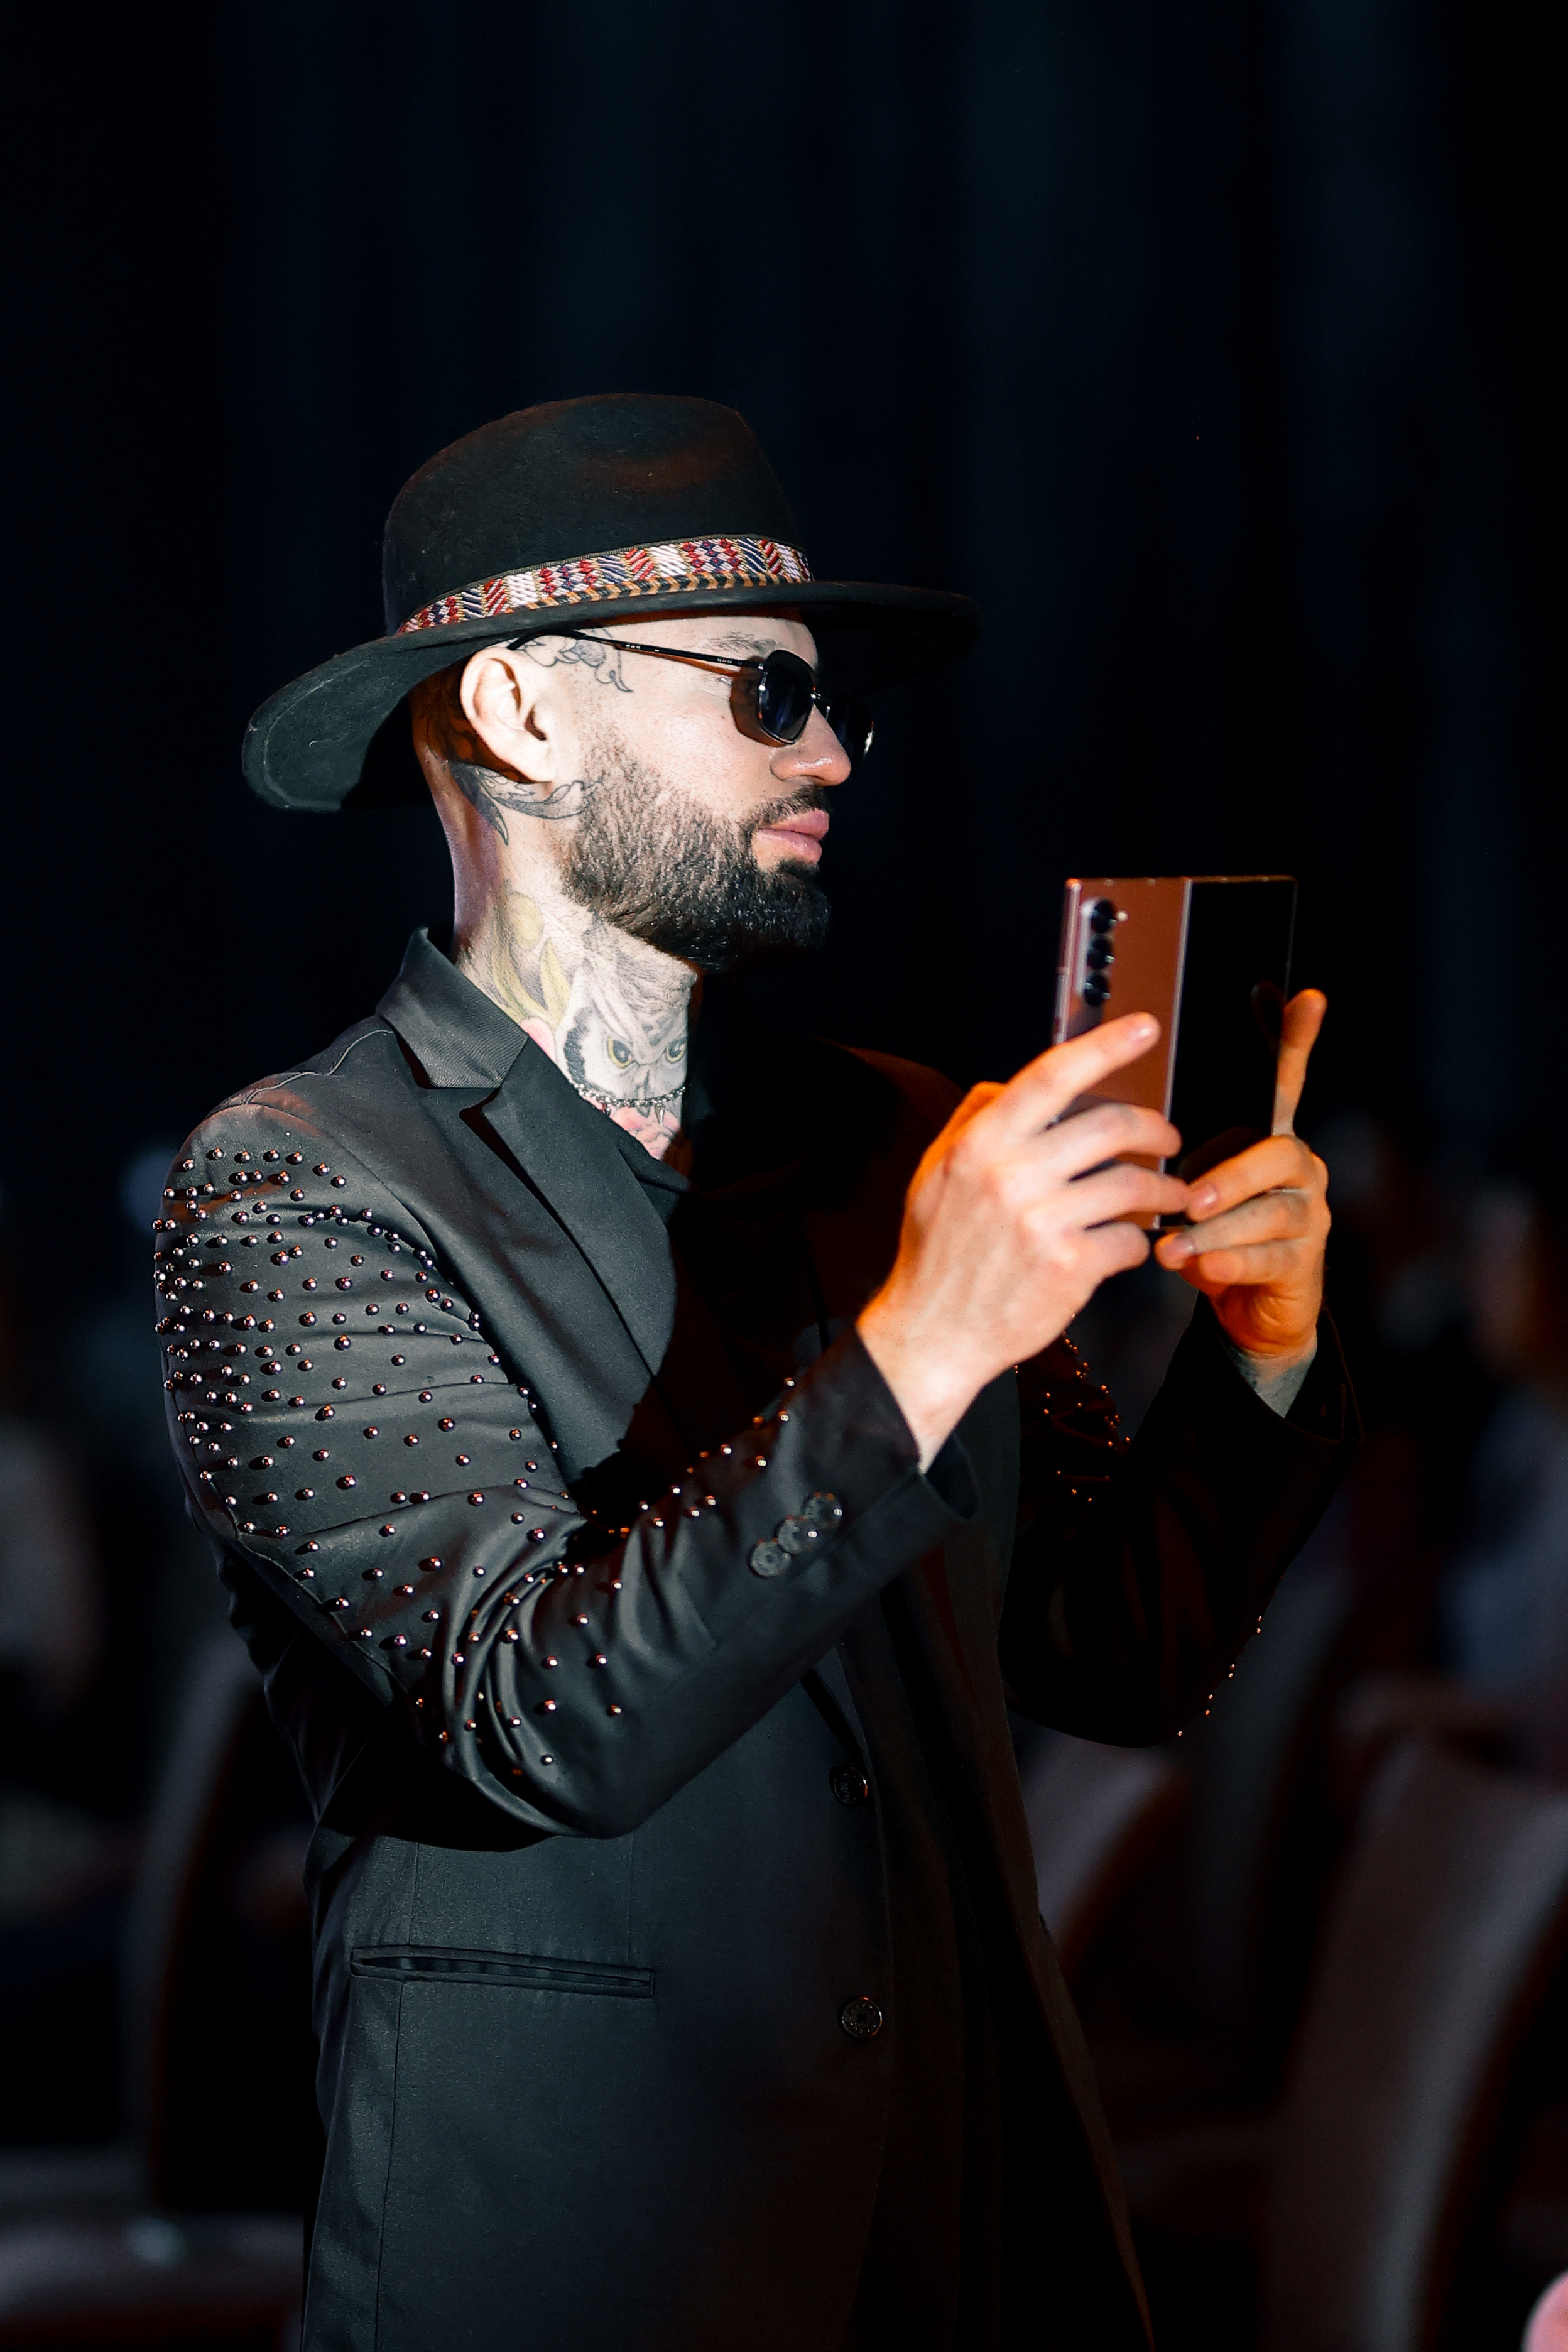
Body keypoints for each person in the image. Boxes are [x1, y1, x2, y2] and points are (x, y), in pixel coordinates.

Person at [158, 396, 1351, 2350]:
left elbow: (1118, 1656)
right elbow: (539, 1711)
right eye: (767, 693)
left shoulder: (898, 1141)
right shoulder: (298, 1182)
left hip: (960, 2214)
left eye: (834, 705)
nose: (832, 757)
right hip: (585, 2253)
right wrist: (926, 1340)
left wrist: (1264, 1357)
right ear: (525, 715)